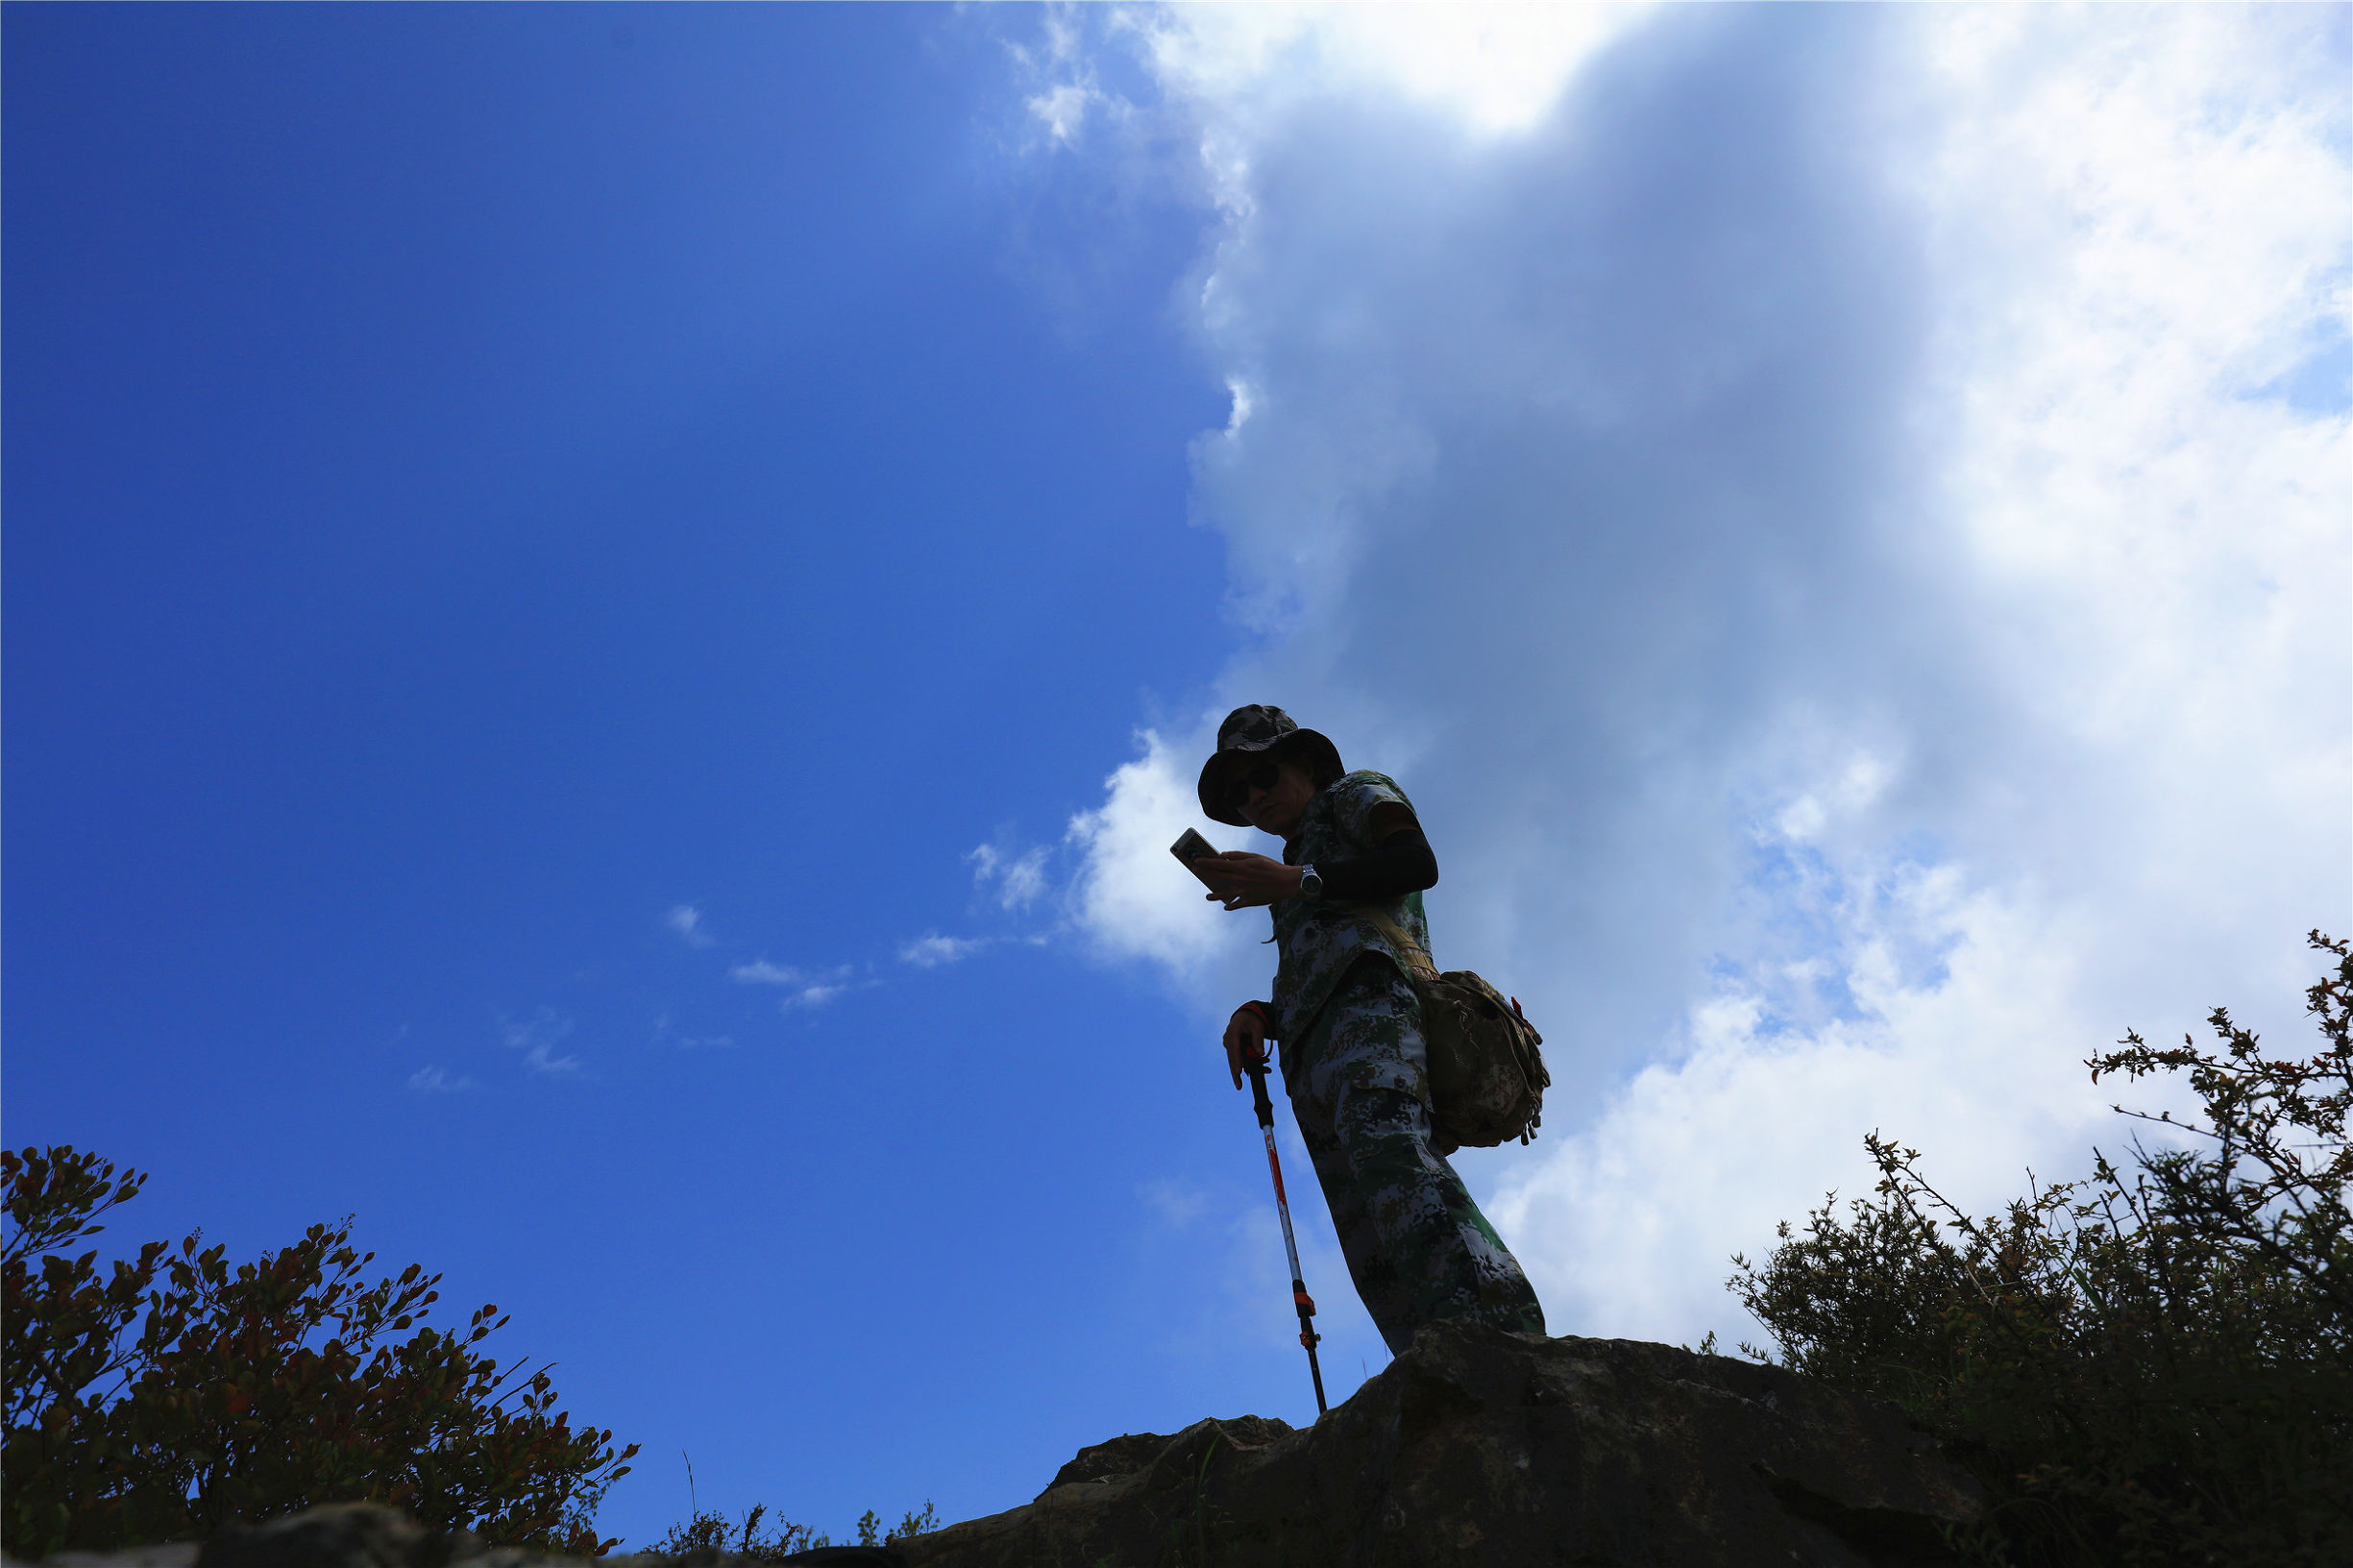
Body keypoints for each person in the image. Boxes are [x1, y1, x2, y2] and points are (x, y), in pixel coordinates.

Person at [1189, 704, 1545, 1356]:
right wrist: (1260, 1013)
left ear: (1305, 763)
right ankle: (1428, 1362)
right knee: (1364, 1223)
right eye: (1238, 793)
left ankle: (1502, 1340)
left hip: (1375, 1018)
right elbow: (1316, 966)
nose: (1254, 798)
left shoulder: (1353, 796)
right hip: (1310, 1058)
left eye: (1263, 775)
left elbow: (1415, 863)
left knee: (1398, 1167)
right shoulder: (1293, 869)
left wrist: (1298, 881)